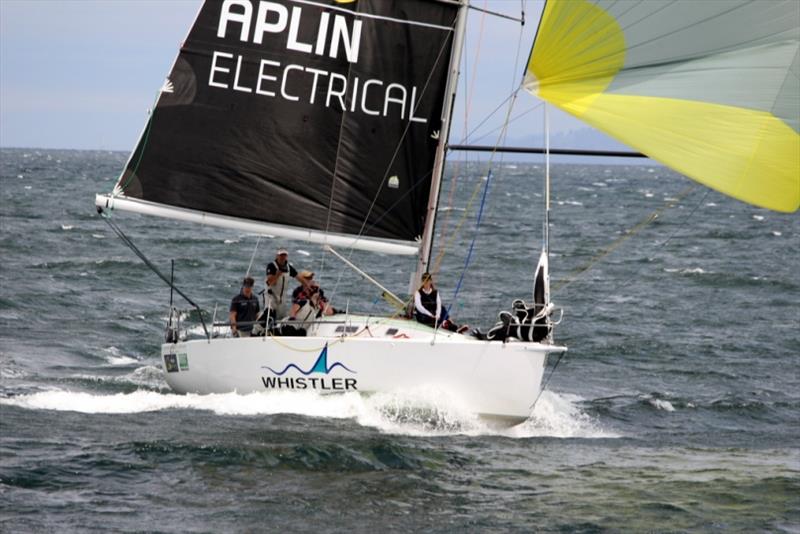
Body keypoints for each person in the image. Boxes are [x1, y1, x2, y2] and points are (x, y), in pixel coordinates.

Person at [265, 248, 304, 319]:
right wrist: (277, 274)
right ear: (277, 256)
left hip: (282, 298)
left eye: (284, 255)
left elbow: (298, 277)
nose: (282, 257)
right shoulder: (272, 266)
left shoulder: (289, 267)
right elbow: (270, 283)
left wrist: (307, 285)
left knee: (281, 317)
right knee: (270, 317)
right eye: (281, 255)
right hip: (271, 297)